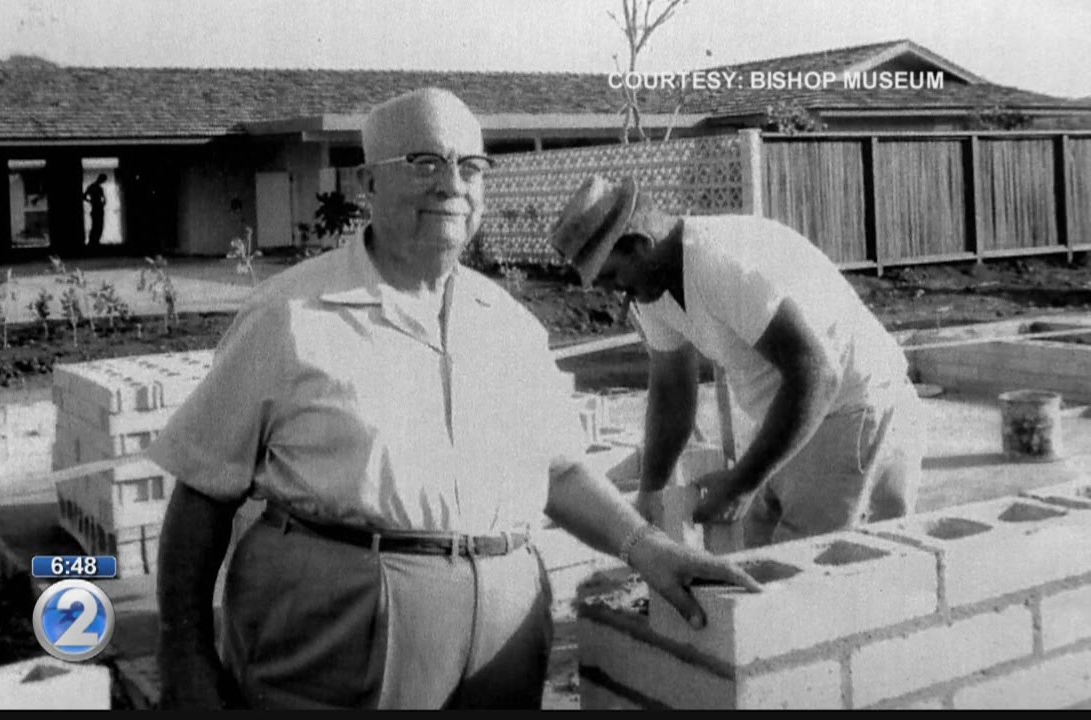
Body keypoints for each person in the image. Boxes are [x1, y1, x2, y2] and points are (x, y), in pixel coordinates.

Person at [148, 89, 759, 710]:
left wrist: (648, 548)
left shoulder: (510, 324)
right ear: (368, 182)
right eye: (423, 163)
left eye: (470, 166)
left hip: (504, 639)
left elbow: (561, 471)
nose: (451, 185)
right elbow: (200, 494)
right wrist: (185, 659)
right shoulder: (288, 316)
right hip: (339, 633)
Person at [549, 175, 924, 549]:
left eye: (612, 275)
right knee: (754, 561)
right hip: (798, 413)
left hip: (853, 407)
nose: (614, 292)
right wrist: (651, 493)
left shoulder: (720, 263)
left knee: (811, 576)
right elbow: (671, 393)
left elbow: (818, 372)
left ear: (642, 246)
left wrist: (743, 482)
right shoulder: (650, 289)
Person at [83, 173, 107, 245]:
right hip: (97, 208)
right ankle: (94, 241)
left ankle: (94, 241)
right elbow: (104, 199)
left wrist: (90, 201)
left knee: (96, 225)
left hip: (96, 207)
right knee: (97, 225)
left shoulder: (93, 187)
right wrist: (91, 201)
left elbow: (84, 196)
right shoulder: (96, 187)